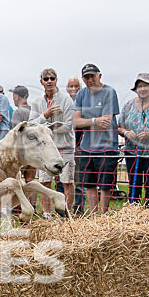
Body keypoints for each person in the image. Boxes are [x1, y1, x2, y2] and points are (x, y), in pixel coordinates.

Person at [72, 63, 120, 214]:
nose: (90, 80)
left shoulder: (109, 92)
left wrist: (86, 122)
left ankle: (103, 216)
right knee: (89, 184)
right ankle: (94, 216)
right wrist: (94, 121)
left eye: (92, 76)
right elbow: (75, 122)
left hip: (107, 147)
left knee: (105, 186)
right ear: (83, 79)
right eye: (86, 77)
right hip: (87, 147)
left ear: (99, 75)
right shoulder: (81, 94)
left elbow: (105, 122)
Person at [29, 68, 76, 217]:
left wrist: (44, 129)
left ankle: (66, 214)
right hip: (45, 150)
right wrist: (45, 116)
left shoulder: (66, 100)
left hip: (64, 147)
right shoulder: (37, 102)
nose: (49, 81)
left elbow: (68, 125)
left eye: (52, 78)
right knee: (45, 182)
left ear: (56, 80)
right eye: (46, 79)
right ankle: (47, 214)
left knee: (67, 182)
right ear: (41, 81)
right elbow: (30, 124)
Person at [118, 73, 149, 206]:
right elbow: (119, 127)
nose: (143, 89)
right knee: (134, 184)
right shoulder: (128, 105)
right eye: (140, 86)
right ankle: (133, 211)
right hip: (132, 152)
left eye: (146, 86)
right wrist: (127, 132)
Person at [65, 77, 85, 213]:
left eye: (75, 86)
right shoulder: (65, 103)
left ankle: (78, 207)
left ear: (80, 87)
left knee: (78, 178)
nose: (73, 89)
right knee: (63, 179)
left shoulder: (83, 103)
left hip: (79, 145)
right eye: (70, 86)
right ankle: (63, 207)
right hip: (65, 146)